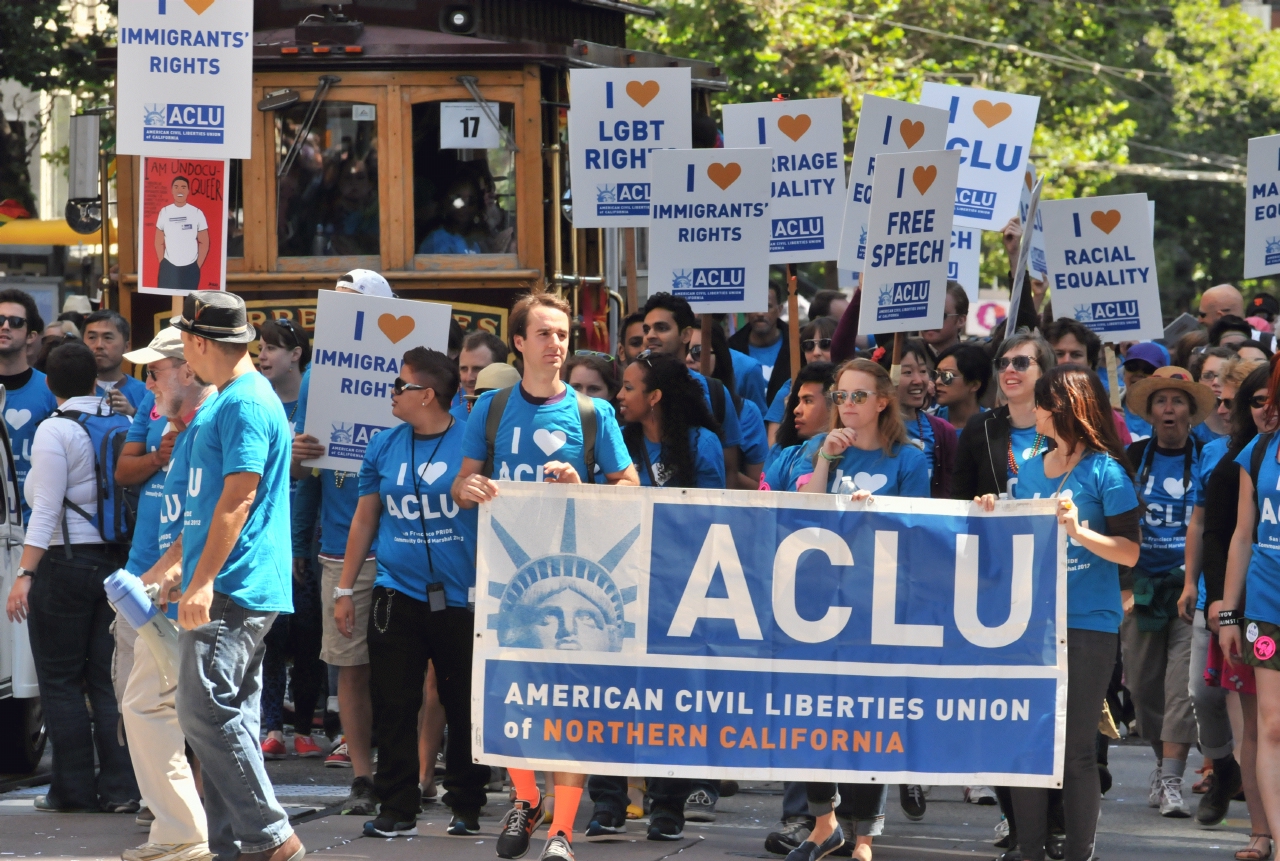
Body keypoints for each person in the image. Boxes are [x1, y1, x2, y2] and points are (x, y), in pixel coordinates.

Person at [452, 292, 637, 861]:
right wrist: (471, 489)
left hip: (575, 580)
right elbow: (460, 486)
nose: (556, 344)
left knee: (571, 705)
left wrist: (583, 488)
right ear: (520, 343)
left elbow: (630, 489)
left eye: (562, 335)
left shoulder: (591, 413)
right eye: (545, 334)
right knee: (509, 697)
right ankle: (526, 798)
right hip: (508, 580)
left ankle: (561, 831)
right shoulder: (491, 409)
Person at [979, 365, 1142, 861]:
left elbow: (1131, 553)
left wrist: (1080, 533)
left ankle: (1078, 852)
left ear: (1065, 407)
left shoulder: (1106, 472)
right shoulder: (1029, 470)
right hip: (1031, 624)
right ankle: (1029, 850)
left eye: (1043, 402)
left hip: (1088, 624)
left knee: (1074, 750)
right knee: (1029, 743)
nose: (1034, 410)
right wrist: (992, 510)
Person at [168, 291, 303, 861]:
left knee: (204, 712)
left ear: (200, 342)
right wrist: (182, 568)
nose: (183, 354)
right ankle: (238, 847)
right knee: (229, 719)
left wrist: (200, 580)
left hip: (234, 584)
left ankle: (271, 837)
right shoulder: (240, 396)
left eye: (184, 344)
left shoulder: (244, 401)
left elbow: (238, 498)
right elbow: (216, 504)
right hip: (237, 581)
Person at [335, 347, 491, 839]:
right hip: (394, 591)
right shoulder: (383, 445)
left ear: (426, 395)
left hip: (461, 596)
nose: (391, 394)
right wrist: (344, 587)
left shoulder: (472, 439)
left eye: (398, 386)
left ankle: (466, 803)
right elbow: (365, 518)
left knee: (461, 703)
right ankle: (397, 806)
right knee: (395, 702)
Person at [792, 357, 929, 861]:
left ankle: (864, 835)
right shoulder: (819, 448)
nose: (846, 405)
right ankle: (822, 822)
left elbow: (921, 532)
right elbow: (800, 516)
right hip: (819, 603)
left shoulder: (908, 460)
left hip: (880, 606)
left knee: (869, 715)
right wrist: (825, 460)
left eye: (858, 396)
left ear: (882, 401)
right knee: (813, 712)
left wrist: (883, 514)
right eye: (841, 396)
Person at [4, 341, 139, 813]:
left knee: (60, 681)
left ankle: (71, 789)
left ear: (51, 383)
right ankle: (122, 787)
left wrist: (25, 573)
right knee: (107, 680)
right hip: (116, 563)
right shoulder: (121, 422)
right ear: (93, 380)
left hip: (63, 563)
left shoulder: (54, 430)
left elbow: (45, 510)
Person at [115, 327, 216, 861]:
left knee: (160, 707)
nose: (146, 381)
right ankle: (184, 829)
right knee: (163, 708)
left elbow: (209, 520)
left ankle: (188, 831)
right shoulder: (186, 426)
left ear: (189, 369)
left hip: (192, 596)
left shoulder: (208, 425)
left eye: (154, 370)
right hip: (174, 593)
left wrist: (162, 578)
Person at [1121, 367, 1216, 818]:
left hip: (1188, 590)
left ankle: (1173, 779)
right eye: (1161, 401)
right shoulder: (1129, 457)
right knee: (1143, 688)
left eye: (1178, 401)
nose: (1169, 409)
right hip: (1139, 590)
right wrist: (1121, 585)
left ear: (1192, 412)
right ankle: (1162, 764)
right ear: (1150, 412)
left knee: (1182, 688)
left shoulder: (1208, 456)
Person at [1182, 358, 1267, 836]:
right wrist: (1218, 602)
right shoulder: (1231, 463)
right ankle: (1231, 780)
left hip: (1262, 612)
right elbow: (1220, 535)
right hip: (1242, 609)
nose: (1266, 412)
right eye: (1256, 402)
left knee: (1264, 724)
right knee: (1216, 699)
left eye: (1274, 402)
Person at [255, 318, 326, 761]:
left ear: (296, 354)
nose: (262, 355)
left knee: (309, 632)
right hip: (265, 528)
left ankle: (305, 725)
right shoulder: (256, 401)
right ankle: (271, 726)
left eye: (271, 348)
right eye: (258, 347)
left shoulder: (317, 401)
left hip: (311, 528)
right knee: (271, 633)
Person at [1219, 356, 1280, 861]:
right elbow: (1242, 537)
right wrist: (1228, 615)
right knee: (1272, 725)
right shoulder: (1257, 453)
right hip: (1265, 609)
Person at [643, 293, 747, 489]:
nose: (650, 335)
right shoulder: (634, 389)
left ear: (686, 335)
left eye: (662, 328)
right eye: (646, 329)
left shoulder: (715, 392)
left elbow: (730, 470)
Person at [619, 350, 724, 488]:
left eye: (628, 388)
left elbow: (710, 507)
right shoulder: (617, 440)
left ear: (654, 397)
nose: (619, 395)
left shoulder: (703, 444)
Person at [687, 322, 768, 489]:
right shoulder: (657, 405)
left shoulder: (746, 412)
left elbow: (761, 487)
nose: (688, 358)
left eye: (698, 352)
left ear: (720, 357)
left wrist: (714, 466)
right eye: (683, 351)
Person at [0, 288, 57, 522]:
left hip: (32, 527)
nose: (5, 327)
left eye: (14, 322)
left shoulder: (50, 391)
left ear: (31, 335)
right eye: (0, 320)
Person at [894, 338, 957, 498]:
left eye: (923, 371)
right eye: (907, 372)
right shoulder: (869, 427)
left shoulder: (943, 431)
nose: (918, 380)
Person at [760, 361, 834, 493]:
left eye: (808, 401)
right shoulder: (784, 457)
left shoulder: (856, 454)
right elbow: (763, 510)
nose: (797, 410)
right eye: (798, 401)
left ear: (834, 405)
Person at [765, 316, 836, 445]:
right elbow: (773, 446)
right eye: (808, 346)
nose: (816, 352)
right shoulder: (789, 389)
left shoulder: (855, 385)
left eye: (825, 344)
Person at [728, 281, 791, 405]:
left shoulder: (798, 348)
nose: (760, 313)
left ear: (779, 309)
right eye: (755, 306)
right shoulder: (730, 349)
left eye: (767, 306)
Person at [84, 309, 147, 417]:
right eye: (92, 338)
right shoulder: (73, 391)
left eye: (108, 337)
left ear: (127, 346)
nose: (99, 345)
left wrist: (133, 413)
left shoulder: (145, 393)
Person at [154, 175, 209, 292]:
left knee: (189, 303)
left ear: (188, 191)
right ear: (172, 190)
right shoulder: (164, 212)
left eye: (183, 187)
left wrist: (196, 266)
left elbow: (204, 242)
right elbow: (158, 241)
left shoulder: (197, 213)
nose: (180, 190)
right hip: (168, 268)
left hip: (190, 269)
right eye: (176, 187)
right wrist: (163, 262)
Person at [419, 177, 485, 254]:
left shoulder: (475, 242)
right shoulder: (438, 240)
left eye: (471, 201)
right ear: (446, 202)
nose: (464, 206)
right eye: (457, 199)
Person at [932, 343, 990, 431]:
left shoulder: (991, 425)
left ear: (974, 385)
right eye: (936, 375)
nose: (938, 381)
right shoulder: (929, 420)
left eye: (947, 376)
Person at [1120, 343, 1168, 441]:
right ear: (1124, 372)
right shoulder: (1106, 404)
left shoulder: (1169, 411)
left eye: (1148, 369)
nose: (1139, 373)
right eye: (1132, 367)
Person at [1191, 346, 1235, 445]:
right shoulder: (1188, 427)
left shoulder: (1251, 426)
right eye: (1207, 376)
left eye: (1225, 375)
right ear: (1198, 380)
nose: (1216, 382)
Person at [921, 281, 969, 359]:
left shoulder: (974, 359)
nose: (931, 321)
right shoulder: (902, 353)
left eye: (940, 316)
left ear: (961, 320)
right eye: (925, 314)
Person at [459, 329, 509, 400]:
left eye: (477, 369)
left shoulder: (521, 410)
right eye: (464, 369)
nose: (468, 378)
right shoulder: (452, 410)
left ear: (500, 370)